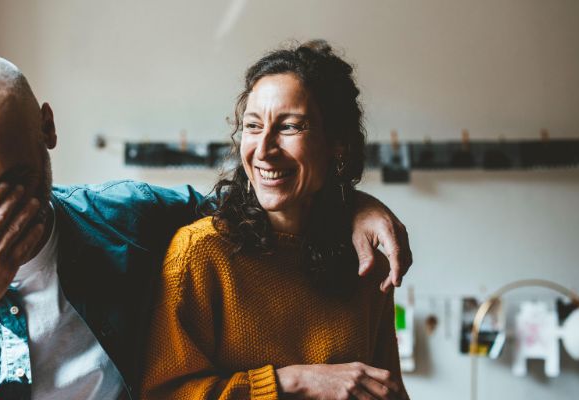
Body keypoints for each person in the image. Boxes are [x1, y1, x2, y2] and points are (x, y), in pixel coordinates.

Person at [0, 53, 412, 400]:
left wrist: (353, 204)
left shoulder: (128, 220)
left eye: (16, 183)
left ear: (47, 129)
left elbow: (260, 205)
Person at [141, 40, 409, 400]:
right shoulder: (200, 253)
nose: (264, 150)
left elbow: (387, 391)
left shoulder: (365, 257)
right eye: (253, 126)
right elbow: (164, 394)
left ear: (337, 143)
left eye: (289, 127)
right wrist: (293, 383)